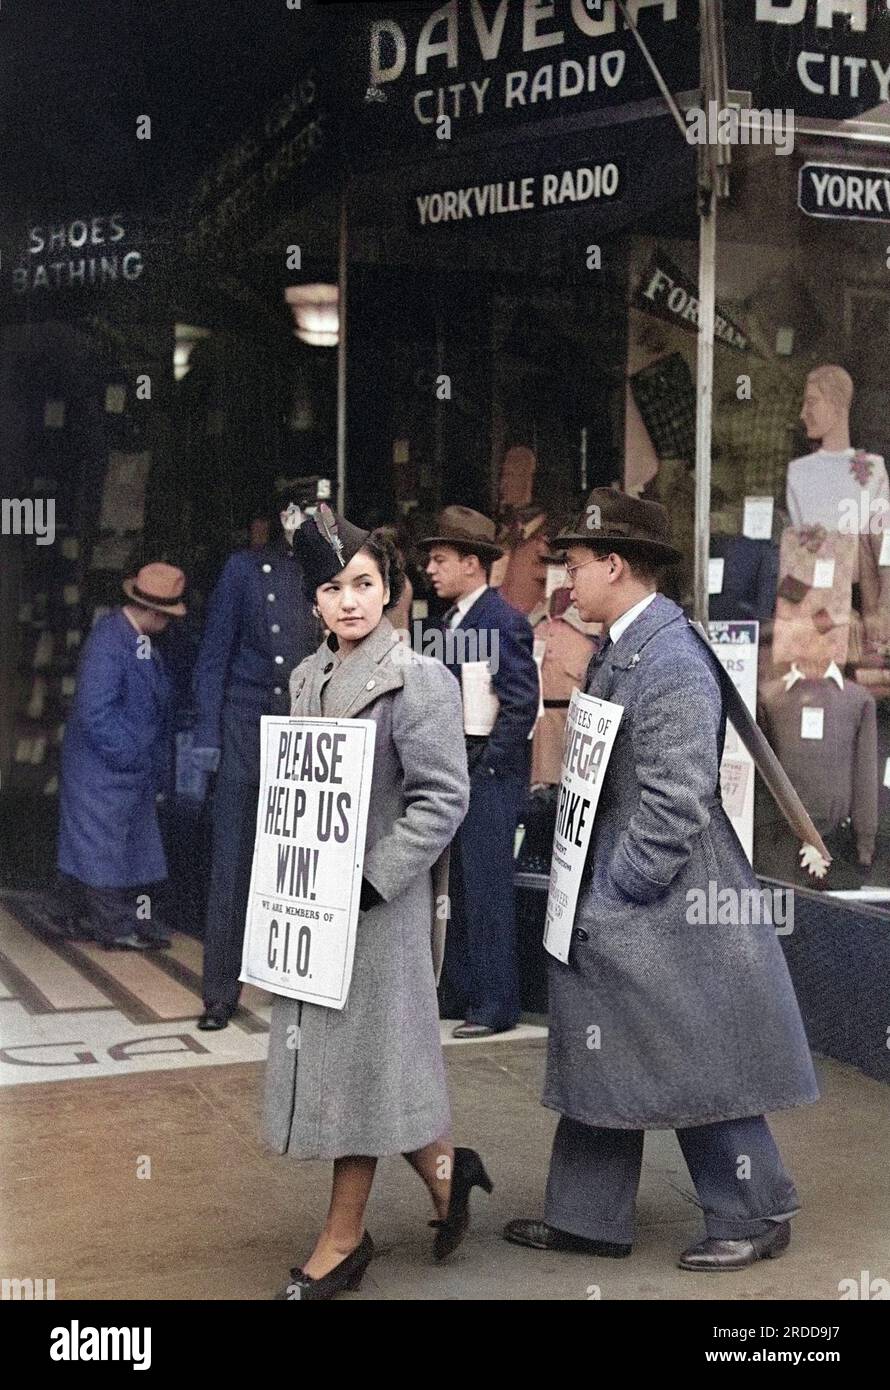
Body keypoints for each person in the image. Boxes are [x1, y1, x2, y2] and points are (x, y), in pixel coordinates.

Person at [505, 489, 819, 1271]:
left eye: (575, 566)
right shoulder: (626, 644)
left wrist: (618, 892)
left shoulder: (670, 658)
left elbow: (676, 804)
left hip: (665, 899)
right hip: (633, 892)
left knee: (693, 1055)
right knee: (601, 1049)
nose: (565, 582)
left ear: (615, 565)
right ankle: (586, 1217)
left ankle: (754, 1210)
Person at [262, 507, 491, 1301]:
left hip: (376, 912)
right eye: (332, 588)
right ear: (315, 603)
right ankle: (448, 1173)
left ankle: (342, 1241)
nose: (350, 600)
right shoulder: (305, 676)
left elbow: (442, 798)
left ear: (388, 588)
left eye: (364, 583)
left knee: (358, 1068)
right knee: (373, 1061)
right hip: (316, 909)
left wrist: (370, 877)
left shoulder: (417, 678)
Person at [190, 488, 317, 1029]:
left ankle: (302, 981)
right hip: (248, 726)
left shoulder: (331, 575)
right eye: (298, 515)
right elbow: (213, 658)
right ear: (283, 518)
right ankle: (220, 991)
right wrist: (208, 744)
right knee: (234, 863)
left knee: (303, 864)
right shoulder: (244, 570)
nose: (304, 525)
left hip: (307, 727)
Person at [420, 506, 540, 1038]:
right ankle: (460, 991)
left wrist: (488, 765)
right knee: (460, 889)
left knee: (488, 889)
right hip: (456, 770)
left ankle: (495, 1006)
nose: (430, 568)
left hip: (486, 776)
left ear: (473, 564)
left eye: (440, 558)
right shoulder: (450, 622)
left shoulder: (503, 621)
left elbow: (521, 704)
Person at [56, 563, 187, 951]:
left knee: (127, 853)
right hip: (104, 772)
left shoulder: (130, 637)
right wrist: (132, 754)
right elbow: (95, 713)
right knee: (104, 854)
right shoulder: (110, 641)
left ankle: (124, 921)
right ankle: (114, 928)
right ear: (155, 611)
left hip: (121, 772)